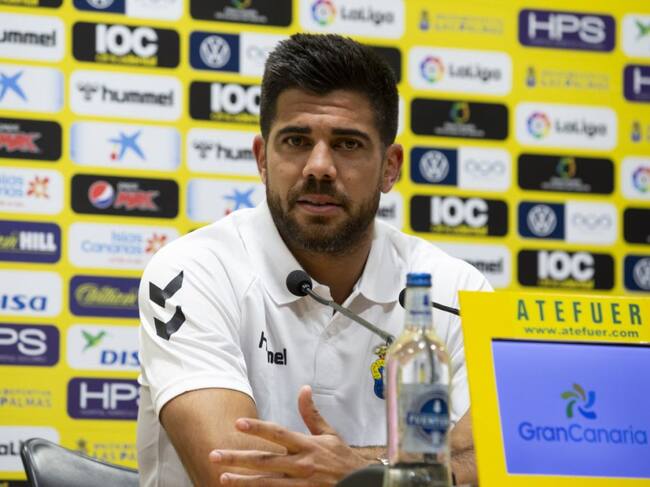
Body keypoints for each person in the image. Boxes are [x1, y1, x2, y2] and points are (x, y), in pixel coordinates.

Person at [137, 33, 491, 486]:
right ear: (262, 159)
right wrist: (416, 469)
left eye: (348, 144)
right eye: (296, 140)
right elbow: (236, 471)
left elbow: (497, 461)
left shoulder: (454, 291)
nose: (319, 166)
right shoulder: (192, 272)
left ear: (390, 167)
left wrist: (363, 471)